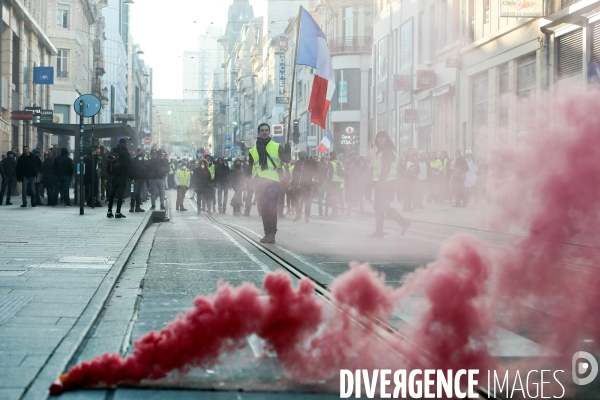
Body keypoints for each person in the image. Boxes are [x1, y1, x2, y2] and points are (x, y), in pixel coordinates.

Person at [248, 123, 291, 244]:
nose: (264, 132)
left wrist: (288, 150)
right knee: (264, 209)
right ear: (258, 133)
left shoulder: (277, 146)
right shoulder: (252, 150)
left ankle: (272, 233)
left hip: (273, 181)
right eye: (262, 130)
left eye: (266, 130)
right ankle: (266, 233)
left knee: (271, 207)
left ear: (269, 132)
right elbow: (250, 168)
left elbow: (286, 160)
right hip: (259, 182)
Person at [368, 130, 411, 238]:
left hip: (385, 184)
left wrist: (380, 183)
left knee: (382, 206)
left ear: (387, 139)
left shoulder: (387, 151)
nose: (380, 139)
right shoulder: (382, 151)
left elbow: (385, 169)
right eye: (379, 137)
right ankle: (379, 231)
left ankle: (403, 222)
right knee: (378, 206)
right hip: (383, 184)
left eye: (383, 137)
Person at [107, 138, 133, 218]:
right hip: (123, 176)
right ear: (125, 143)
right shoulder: (126, 153)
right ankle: (118, 212)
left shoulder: (114, 151)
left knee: (112, 193)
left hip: (115, 176)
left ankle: (109, 211)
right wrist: (131, 178)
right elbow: (129, 166)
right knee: (120, 194)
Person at [291, 151, 316, 222]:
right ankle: (298, 215)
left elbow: (317, 169)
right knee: (296, 201)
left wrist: (313, 161)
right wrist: (293, 183)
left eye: (302, 155)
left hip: (307, 186)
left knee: (307, 202)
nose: (300, 156)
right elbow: (294, 173)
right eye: (299, 155)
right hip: (297, 186)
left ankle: (307, 217)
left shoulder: (310, 162)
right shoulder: (297, 163)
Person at [327, 151, 344, 217]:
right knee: (337, 196)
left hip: (333, 182)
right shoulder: (340, 162)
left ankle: (335, 210)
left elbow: (330, 174)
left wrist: (329, 183)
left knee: (331, 197)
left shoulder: (331, 163)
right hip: (339, 182)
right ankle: (339, 208)